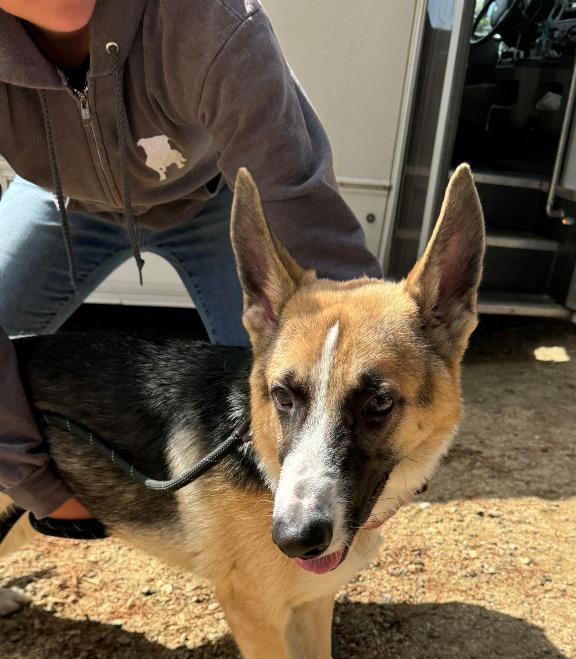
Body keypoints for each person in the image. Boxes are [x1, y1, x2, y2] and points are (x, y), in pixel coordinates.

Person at [0, 0, 382, 528]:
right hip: (62, 201)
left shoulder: (209, 17)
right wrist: (32, 481)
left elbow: (306, 220)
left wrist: (364, 434)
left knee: (284, 364)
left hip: (213, 200)